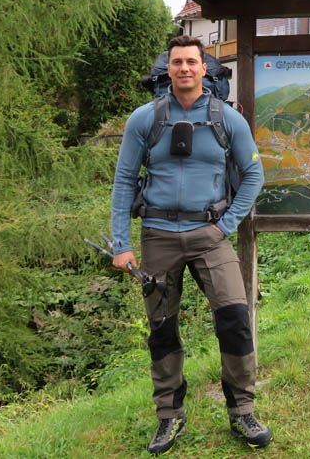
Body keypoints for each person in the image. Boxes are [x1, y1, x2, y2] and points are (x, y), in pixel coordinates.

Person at [110, 35, 270, 455]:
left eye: (192, 63)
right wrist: (120, 243)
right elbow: (124, 180)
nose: (184, 69)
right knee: (162, 330)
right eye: (176, 63)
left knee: (235, 318)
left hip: (210, 235)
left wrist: (226, 226)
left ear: (204, 69)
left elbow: (255, 175)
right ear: (168, 70)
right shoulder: (144, 119)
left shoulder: (227, 119)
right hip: (158, 236)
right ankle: (168, 416)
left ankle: (242, 411)